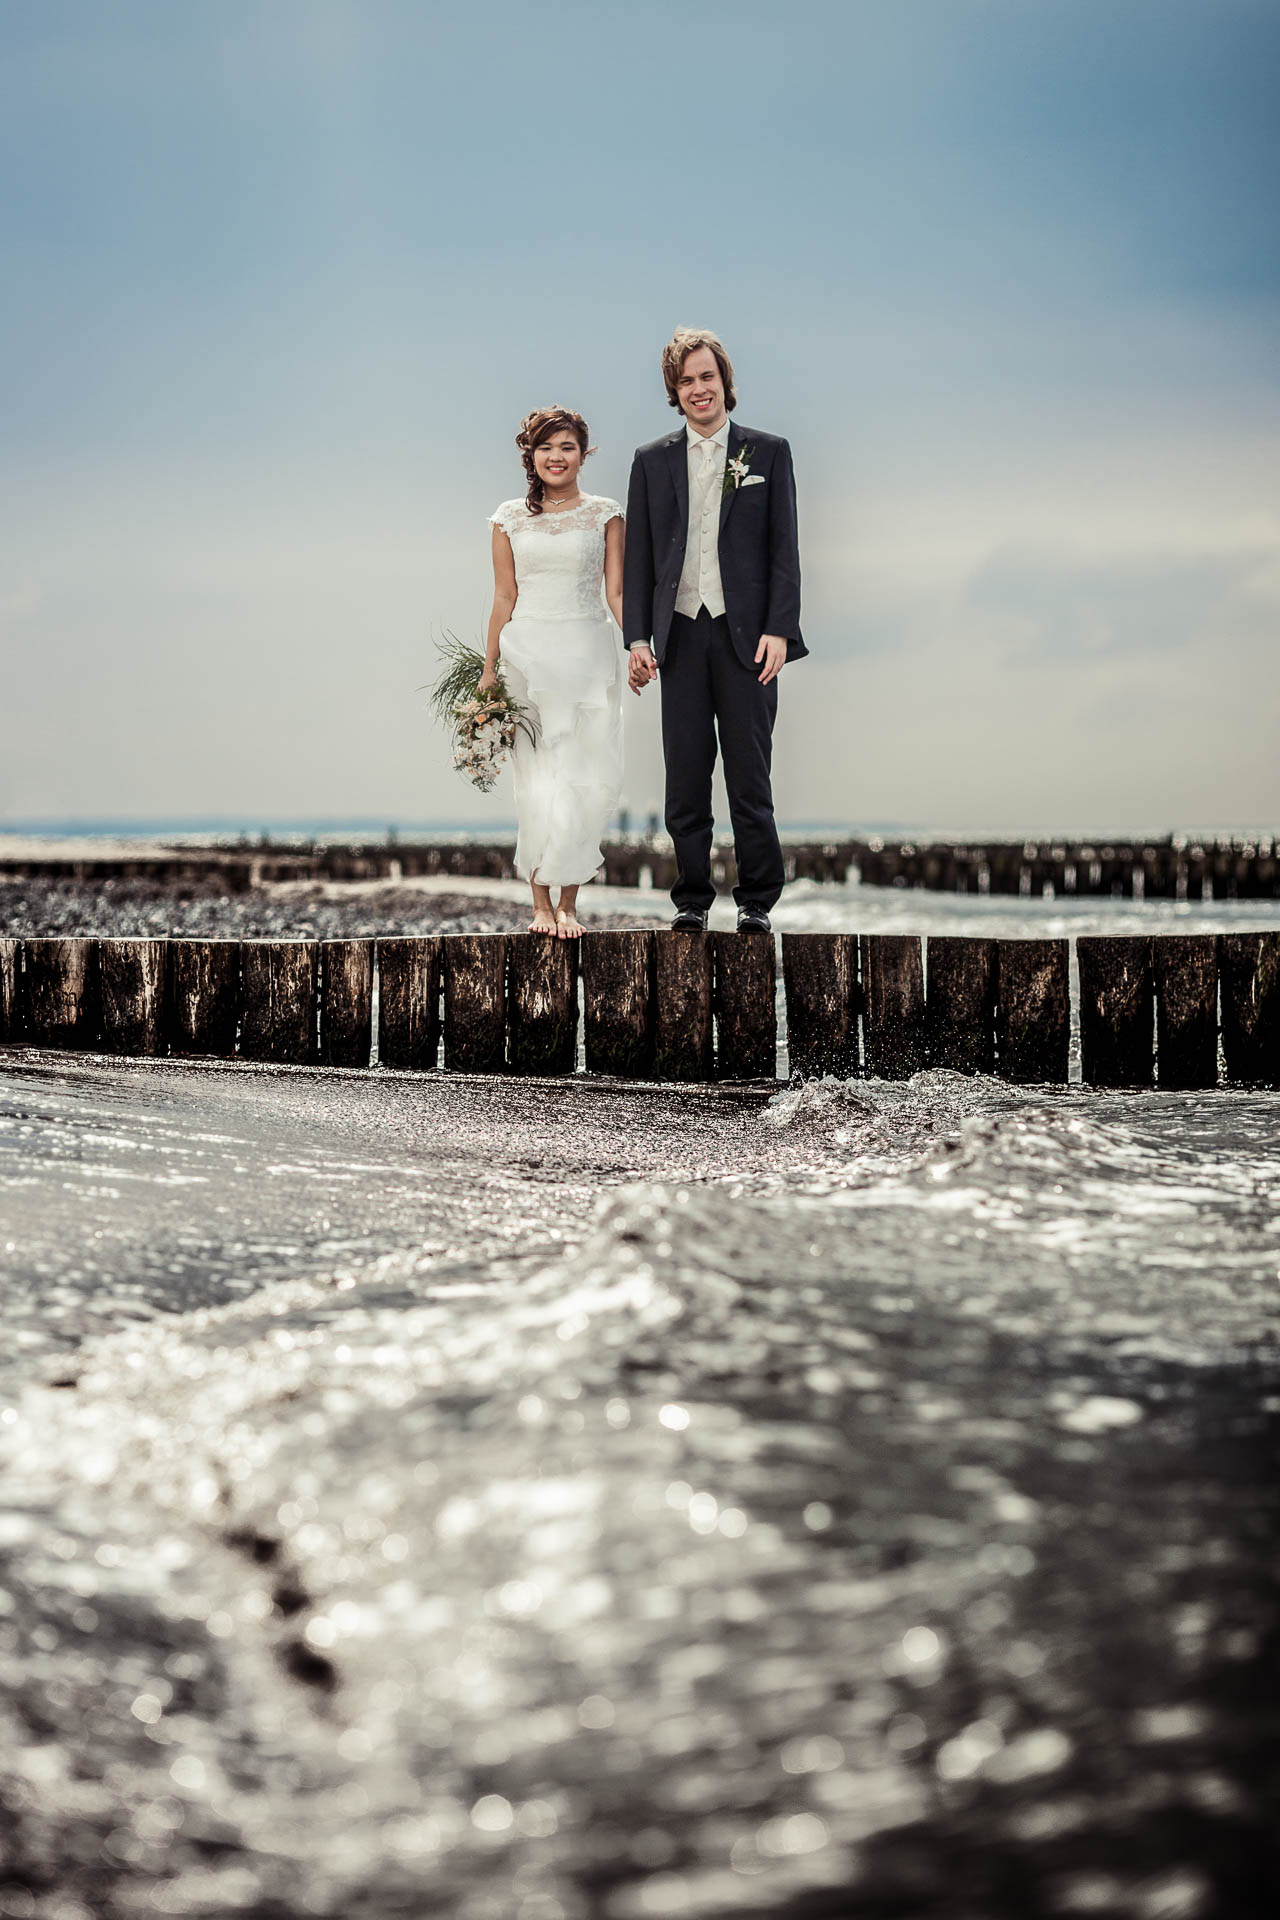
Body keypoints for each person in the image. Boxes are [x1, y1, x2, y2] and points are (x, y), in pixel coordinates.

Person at [623, 327, 806, 933]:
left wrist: (780, 629)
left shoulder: (769, 452)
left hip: (748, 638)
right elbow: (641, 558)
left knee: (749, 776)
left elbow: (785, 548)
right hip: (678, 635)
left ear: (725, 381)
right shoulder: (650, 462)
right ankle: (692, 902)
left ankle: (756, 901)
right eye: (686, 381)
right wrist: (638, 639)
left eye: (707, 376)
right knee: (686, 773)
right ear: (675, 393)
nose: (699, 389)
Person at [480, 407, 625, 937]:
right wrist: (489, 667)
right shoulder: (508, 518)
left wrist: (636, 646)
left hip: (588, 654)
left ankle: (569, 904)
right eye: (546, 447)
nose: (556, 456)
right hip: (527, 655)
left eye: (566, 447)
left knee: (579, 779)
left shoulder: (606, 514)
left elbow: (616, 592)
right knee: (535, 781)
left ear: (582, 454)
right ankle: (539, 903)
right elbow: (503, 595)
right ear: (531, 454)